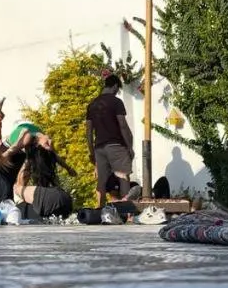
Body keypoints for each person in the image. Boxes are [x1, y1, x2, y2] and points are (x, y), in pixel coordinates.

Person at [85, 74, 140, 206]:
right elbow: (123, 125)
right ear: (115, 85)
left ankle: (100, 210)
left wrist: (92, 152)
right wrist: (130, 147)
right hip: (116, 145)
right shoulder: (116, 102)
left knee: (101, 182)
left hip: (99, 148)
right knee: (123, 176)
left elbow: (88, 132)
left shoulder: (92, 105)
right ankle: (125, 211)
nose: (117, 92)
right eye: (118, 89)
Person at [13, 132, 76, 220]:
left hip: (45, 200)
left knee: (17, 188)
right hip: (65, 199)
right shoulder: (50, 155)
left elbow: (20, 183)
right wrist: (68, 168)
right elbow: (55, 156)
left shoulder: (31, 159)